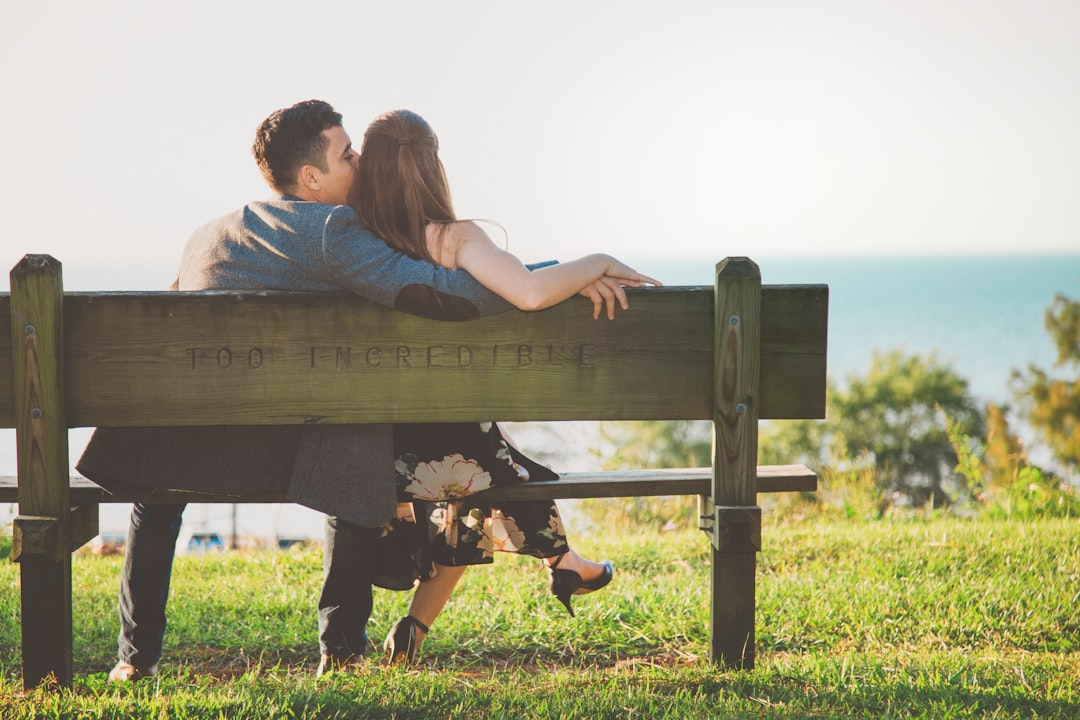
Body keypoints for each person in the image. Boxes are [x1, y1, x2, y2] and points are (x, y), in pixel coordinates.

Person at [75, 100, 634, 682]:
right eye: (346, 155)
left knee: (161, 495)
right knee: (354, 430)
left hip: (191, 447)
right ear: (312, 178)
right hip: (287, 451)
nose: (359, 165)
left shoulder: (205, 235)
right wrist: (559, 275)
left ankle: (133, 660)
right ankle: (340, 652)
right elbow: (444, 295)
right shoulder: (331, 231)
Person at [350, 109, 661, 664]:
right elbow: (530, 294)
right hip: (454, 451)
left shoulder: (348, 243)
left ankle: (428, 624)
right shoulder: (452, 238)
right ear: (432, 168)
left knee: (477, 487)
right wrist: (595, 263)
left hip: (374, 447)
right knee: (483, 480)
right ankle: (561, 562)